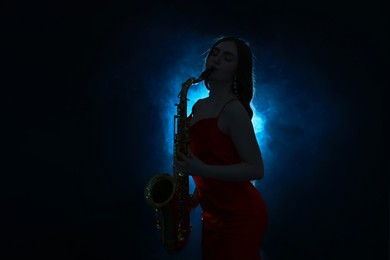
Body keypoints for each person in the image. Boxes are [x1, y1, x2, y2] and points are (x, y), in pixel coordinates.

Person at [175, 36, 268, 259]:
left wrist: (201, 169)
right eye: (214, 53)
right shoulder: (198, 106)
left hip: (240, 217)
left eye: (227, 57)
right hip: (212, 217)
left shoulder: (233, 110)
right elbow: (217, 159)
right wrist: (192, 200)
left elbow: (256, 170)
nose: (216, 60)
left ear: (237, 70)